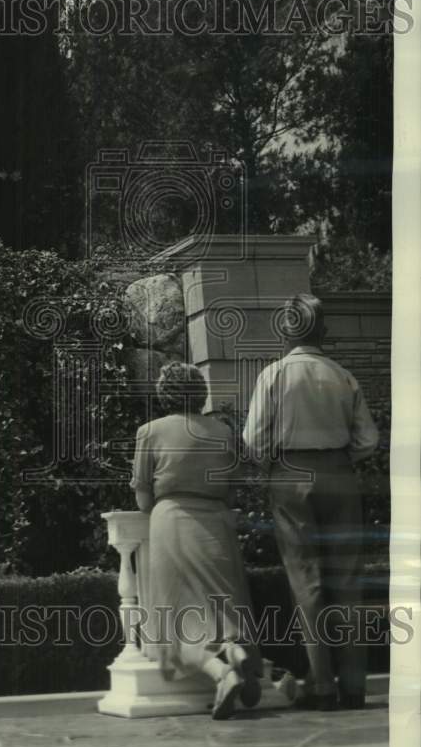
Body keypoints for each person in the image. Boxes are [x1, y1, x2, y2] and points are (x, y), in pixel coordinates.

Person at [242, 293, 379, 711]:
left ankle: (321, 684)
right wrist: (338, 458)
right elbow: (368, 440)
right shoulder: (342, 376)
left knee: (307, 579)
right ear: (322, 330)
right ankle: (354, 684)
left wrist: (280, 460)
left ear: (285, 331)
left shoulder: (273, 376)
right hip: (339, 473)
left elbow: (253, 439)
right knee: (348, 580)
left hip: (290, 474)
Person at [131, 361, 264, 720]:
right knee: (224, 607)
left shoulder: (150, 431)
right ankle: (237, 653)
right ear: (199, 392)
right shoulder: (222, 431)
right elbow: (234, 488)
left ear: (164, 394)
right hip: (217, 523)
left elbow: (143, 499)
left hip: (172, 522)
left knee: (175, 621)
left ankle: (222, 673)